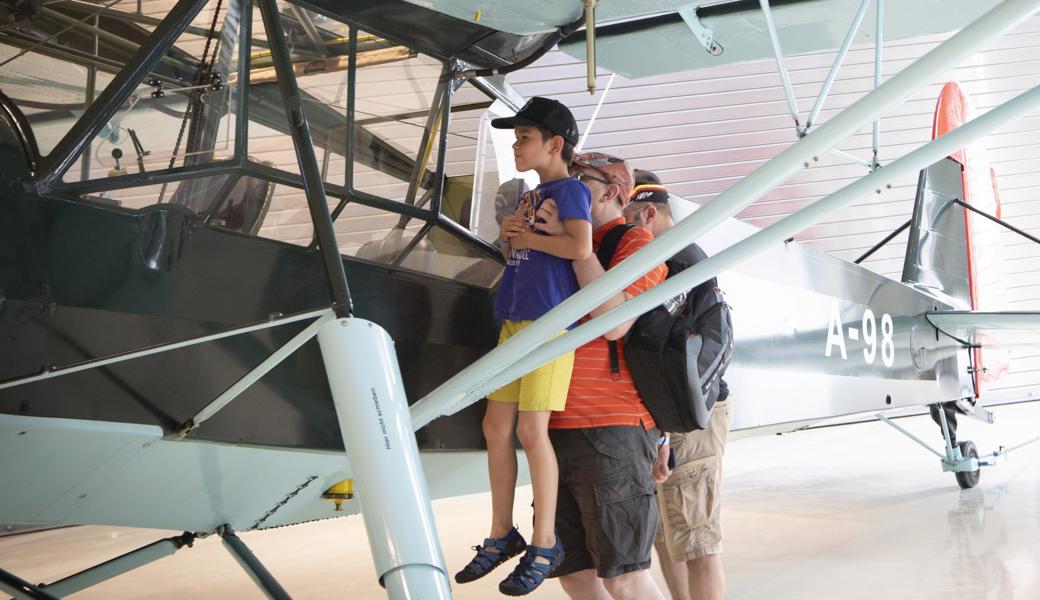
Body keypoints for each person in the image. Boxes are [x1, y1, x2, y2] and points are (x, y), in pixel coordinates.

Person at [454, 96, 593, 596]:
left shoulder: (571, 190)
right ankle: (501, 532)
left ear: (555, 144)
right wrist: (513, 238)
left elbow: (580, 248)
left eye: (524, 138)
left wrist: (528, 241)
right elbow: (527, 248)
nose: (516, 145)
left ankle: (545, 540)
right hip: (515, 320)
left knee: (533, 432)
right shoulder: (533, 194)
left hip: (550, 325)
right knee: (497, 426)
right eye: (515, 138)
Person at [542, 152, 669, 600]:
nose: (568, 186)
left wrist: (576, 247)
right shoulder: (552, 243)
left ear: (613, 190)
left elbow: (614, 321)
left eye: (581, 180)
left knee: (623, 574)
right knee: (573, 571)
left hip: (611, 426)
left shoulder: (636, 243)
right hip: (550, 423)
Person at [624, 169, 731, 600]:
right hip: (671, 417)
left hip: (690, 417)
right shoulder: (679, 259)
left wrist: (666, 430)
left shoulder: (677, 263)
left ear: (649, 213)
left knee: (697, 540)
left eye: (627, 219)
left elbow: (668, 358)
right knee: (668, 534)